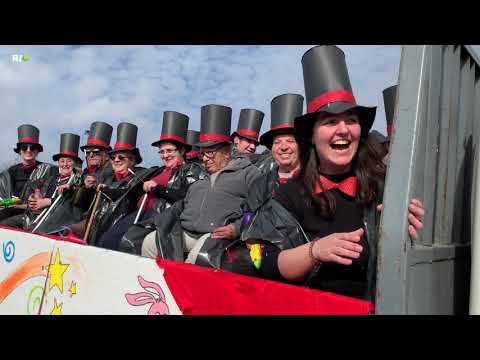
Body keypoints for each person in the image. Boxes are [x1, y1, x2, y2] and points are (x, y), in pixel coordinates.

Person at [242, 45, 424, 300]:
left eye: (351, 120)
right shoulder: (289, 194)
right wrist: (313, 251)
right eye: (330, 121)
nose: (343, 129)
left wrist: (406, 228)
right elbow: (262, 261)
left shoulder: (387, 187)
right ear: (313, 138)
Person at [141, 104, 262, 267]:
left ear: (226, 151)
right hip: (185, 232)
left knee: (198, 256)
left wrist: (237, 228)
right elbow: (180, 208)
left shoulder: (249, 173)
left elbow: (258, 209)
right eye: (202, 153)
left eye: (210, 152)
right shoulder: (199, 180)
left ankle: (179, 288)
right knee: (150, 242)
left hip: (217, 235)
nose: (205, 158)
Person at [116, 112, 204, 254]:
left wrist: (158, 189)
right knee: (108, 239)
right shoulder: (158, 170)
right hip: (139, 214)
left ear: (182, 150)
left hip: (159, 218)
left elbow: (190, 198)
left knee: (126, 243)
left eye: (169, 150)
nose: (165, 155)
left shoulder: (190, 169)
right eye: (161, 152)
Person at [1, 133, 83, 231]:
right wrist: (34, 198)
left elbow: (74, 202)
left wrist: (47, 202)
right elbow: (37, 191)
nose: (65, 164)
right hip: (32, 215)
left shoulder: (77, 180)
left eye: (69, 161)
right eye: (62, 161)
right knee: (4, 224)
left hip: (55, 221)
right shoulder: (52, 178)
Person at [247, 93, 304, 212]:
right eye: (277, 142)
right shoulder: (260, 185)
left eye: (290, 141)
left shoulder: (315, 179)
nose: (283, 147)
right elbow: (249, 221)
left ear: (300, 145)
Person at [0, 124, 57, 223]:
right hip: (9, 211)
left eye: (33, 148)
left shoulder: (49, 170)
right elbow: (3, 200)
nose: (28, 150)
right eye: (24, 148)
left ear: (37, 152)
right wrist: (11, 202)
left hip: (36, 214)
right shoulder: (10, 172)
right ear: (19, 151)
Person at [80, 121, 115, 187]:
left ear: (107, 155)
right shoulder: (84, 174)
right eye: (87, 152)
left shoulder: (112, 172)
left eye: (96, 152)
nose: (91, 155)